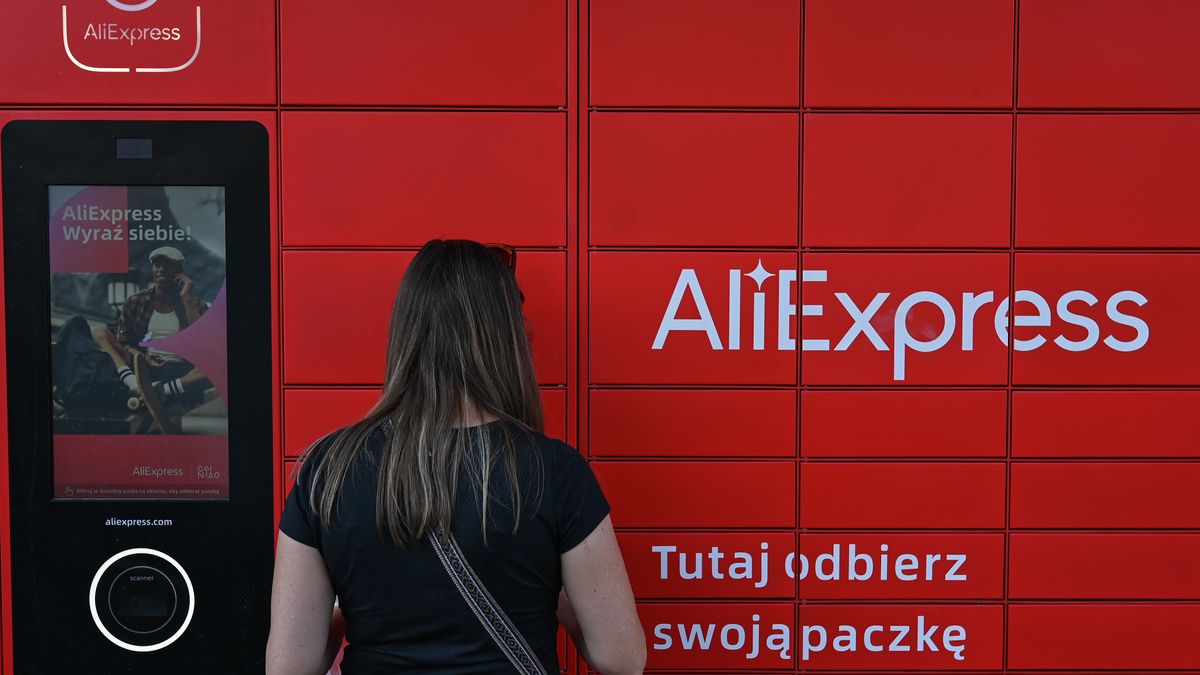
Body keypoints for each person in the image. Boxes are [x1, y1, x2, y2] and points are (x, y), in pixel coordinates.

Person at [266, 240, 646, 674]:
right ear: (507, 339)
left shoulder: (327, 471)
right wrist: (554, 591)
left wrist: (356, 607)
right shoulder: (555, 472)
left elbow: (289, 667)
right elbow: (622, 659)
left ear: (406, 331)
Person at [91, 245, 212, 411]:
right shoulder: (135, 301)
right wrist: (142, 357)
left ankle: (160, 391)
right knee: (99, 332)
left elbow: (202, 346)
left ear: (180, 271)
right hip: (143, 368)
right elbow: (125, 343)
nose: (161, 268)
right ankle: (134, 384)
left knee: (215, 366)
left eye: (167, 264)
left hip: (181, 373)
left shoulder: (196, 304)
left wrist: (186, 298)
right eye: (156, 264)